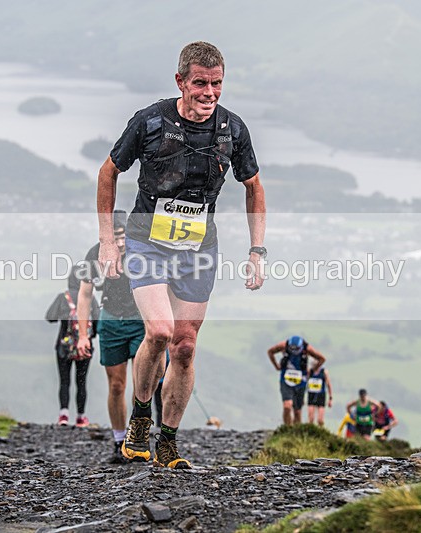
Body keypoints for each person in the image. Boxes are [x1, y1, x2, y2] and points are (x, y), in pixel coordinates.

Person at [97, 41, 266, 469]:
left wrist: (256, 250)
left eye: (217, 84)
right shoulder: (150, 120)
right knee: (157, 331)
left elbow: (254, 187)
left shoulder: (233, 129)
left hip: (197, 248)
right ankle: (139, 417)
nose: (209, 92)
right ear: (180, 82)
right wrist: (107, 240)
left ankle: (167, 441)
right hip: (146, 240)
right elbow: (109, 171)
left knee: (186, 346)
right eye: (200, 83)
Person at [75, 210, 146, 464]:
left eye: (123, 237)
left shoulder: (142, 249)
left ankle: (138, 439)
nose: (120, 243)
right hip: (112, 319)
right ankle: (118, 441)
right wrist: (83, 335)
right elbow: (84, 295)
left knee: (142, 384)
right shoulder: (96, 252)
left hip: (141, 320)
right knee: (117, 386)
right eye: (115, 237)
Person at [45, 274, 99, 428]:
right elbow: (98, 319)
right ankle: (81, 417)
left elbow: (50, 317)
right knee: (81, 382)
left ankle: (63, 414)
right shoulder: (90, 299)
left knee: (64, 381)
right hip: (85, 347)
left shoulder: (63, 297)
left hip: (64, 346)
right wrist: (90, 335)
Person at [267, 336, 327, 425]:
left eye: (297, 349)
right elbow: (270, 351)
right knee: (287, 406)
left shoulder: (307, 348)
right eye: (292, 349)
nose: (294, 351)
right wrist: (276, 366)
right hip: (286, 380)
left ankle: (295, 433)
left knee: (297, 411)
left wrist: (312, 370)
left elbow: (322, 359)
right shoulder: (284, 345)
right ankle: (287, 429)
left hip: (300, 382)